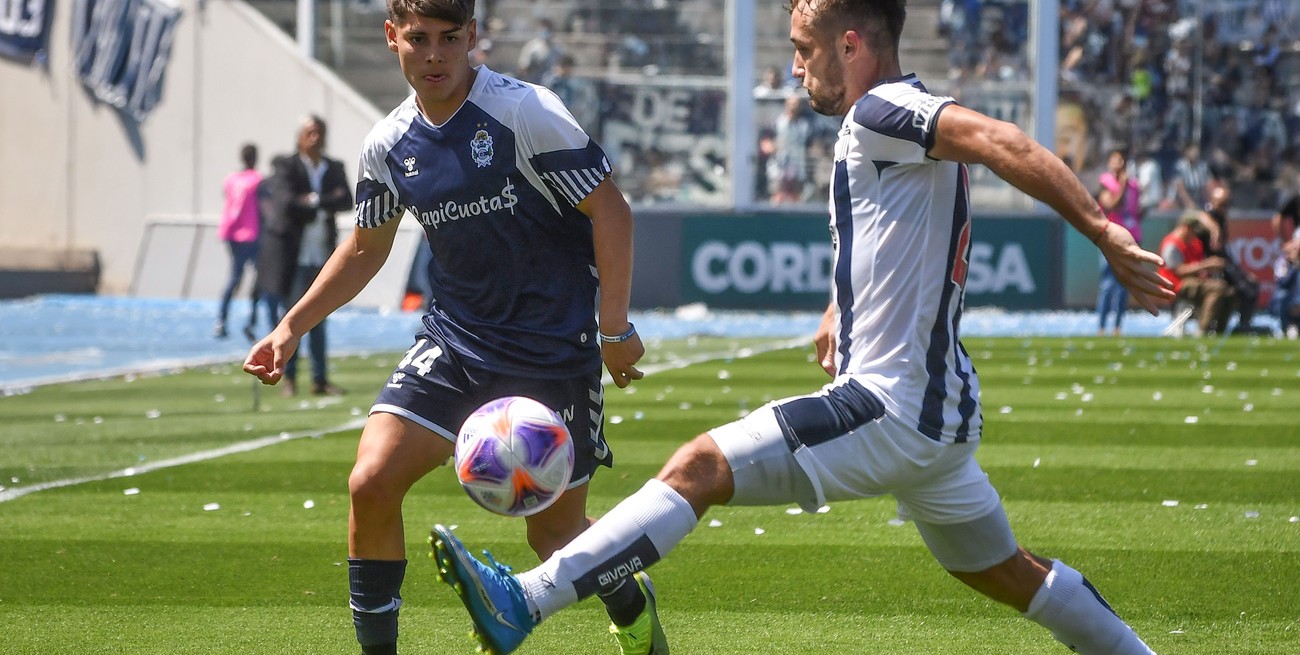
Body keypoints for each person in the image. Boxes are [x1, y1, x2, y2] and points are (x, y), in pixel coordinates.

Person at [430, 2, 1171, 654]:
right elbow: (898, 237)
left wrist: (1103, 230)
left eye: (804, 49)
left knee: (697, 467)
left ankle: (525, 600)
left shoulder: (881, 112)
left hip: (892, 405)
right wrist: (838, 308)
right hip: (941, 419)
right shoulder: (892, 124)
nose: (794, 69)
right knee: (1010, 573)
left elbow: (1005, 140)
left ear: (851, 45)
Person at [242, 1, 662, 654]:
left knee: (555, 536)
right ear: (392, 38)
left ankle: (632, 607)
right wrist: (291, 326)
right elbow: (365, 249)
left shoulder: (525, 112)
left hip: (552, 352)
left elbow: (611, 210)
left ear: (472, 37)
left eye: (448, 39)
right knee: (370, 480)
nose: (434, 55)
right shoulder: (387, 144)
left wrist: (614, 328)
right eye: (418, 40)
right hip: (455, 343)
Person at [255, 115, 353, 397]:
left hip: (322, 255)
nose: (315, 137)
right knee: (292, 320)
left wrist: (313, 200)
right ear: (299, 137)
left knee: (320, 317)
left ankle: (319, 379)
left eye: (319, 132)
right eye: (310, 132)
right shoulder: (286, 165)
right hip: (294, 255)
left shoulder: (333, 166)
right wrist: (321, 201)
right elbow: (286, 203)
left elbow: (346, 199)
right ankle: (289, 377)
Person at [1157, 212, 1235, 336]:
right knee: (1217, 288)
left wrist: (1210, 267)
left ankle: (1219, 330)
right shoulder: (1172, 244)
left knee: (1230, 291)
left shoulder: (1194, 243)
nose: (1195, 235)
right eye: (1193, 231)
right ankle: (1203, 329)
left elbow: (1197, 265)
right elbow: (1179, 271)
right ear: (1186, 227)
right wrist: (1206, 265)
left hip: (1194, 282)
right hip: (1175, 284)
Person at [1197, 184, 1261, 334]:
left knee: (1251, 285)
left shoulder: (1221, 219)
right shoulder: (1206, 219)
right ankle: (1241, 326)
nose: (1225, 208)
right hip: (1212, 267)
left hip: (1224, 263)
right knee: (1245, 290)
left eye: (1227, 204)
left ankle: (1243, 324)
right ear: (1212, 202)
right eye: (1222, 204)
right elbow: (1197, 215)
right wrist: (1213, 228)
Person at [216, 143, 263, 341]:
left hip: (232, 234)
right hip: (251, 234)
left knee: (235, 278)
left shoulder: (231, 179)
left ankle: (221, 320)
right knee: (259, 279)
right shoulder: (258, 180)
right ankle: (252, 321)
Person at [1096, 148, 1143, 336]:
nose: (1119, 164)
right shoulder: (1105, 183)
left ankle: (1117, 327)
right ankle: (1101, 326)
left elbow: (1136, 210)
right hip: (1110, 236)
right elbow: (1110, 205)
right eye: (1115, 160)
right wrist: (1122, 187)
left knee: (1124, 283)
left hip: (1131, 235)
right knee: (1107, 283)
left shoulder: (1134, 185)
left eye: (1121, 161)